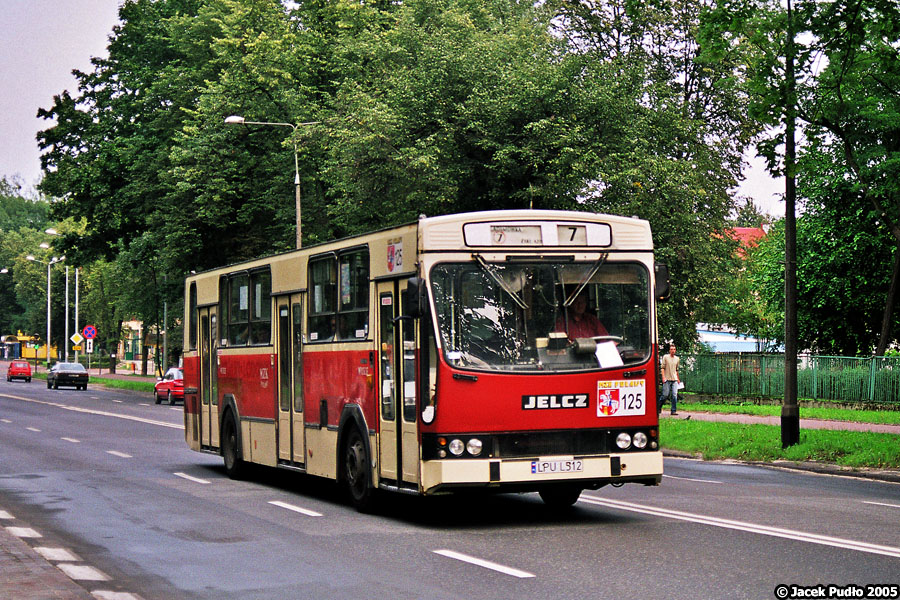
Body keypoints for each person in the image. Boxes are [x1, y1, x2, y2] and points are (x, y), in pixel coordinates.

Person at [660, 343, 681, 415]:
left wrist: (678, 378)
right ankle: (658, 407)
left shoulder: (677, 359)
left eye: (674, 349)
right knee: (665, 395)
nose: (673, 351)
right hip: (667, 378)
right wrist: (663, 377)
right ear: (669, 350)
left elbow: (676, 369)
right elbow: (662, 368)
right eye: (671, 349)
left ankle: (673, 410)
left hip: (674, 379)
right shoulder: (665, 357)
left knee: (675, 394)